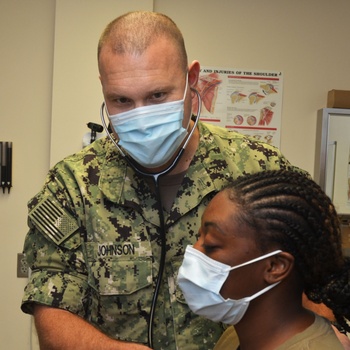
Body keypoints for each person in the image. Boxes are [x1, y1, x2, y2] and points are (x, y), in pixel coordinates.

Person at [21, 11, 304, 350]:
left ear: (192, 78)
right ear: (103, 88)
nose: (141, 118)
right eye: (122, 100)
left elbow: (310, 283)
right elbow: (51, 307)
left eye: (157, 96)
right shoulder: (71, 186)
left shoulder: (258, 168)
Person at [178, 170, 350, 349]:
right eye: (199, 239)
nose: (193, 253)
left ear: (275, 266)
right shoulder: (236, 337)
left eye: (211, 245)